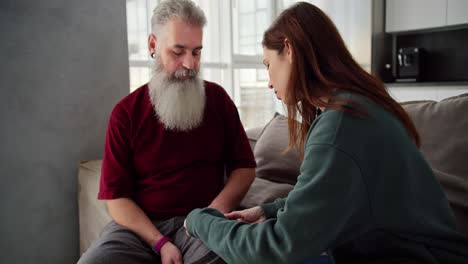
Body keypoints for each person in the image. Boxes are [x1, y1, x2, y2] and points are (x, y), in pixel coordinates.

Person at [184, 2, 468, 264]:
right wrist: (267, 210)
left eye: (268, 65)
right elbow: (335, 194)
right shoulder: (358, 106)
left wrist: (201, 221)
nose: (269, 83)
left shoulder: (342, 126)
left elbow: (276, 248)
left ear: (290, 50)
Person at [77, 0, 256, 263]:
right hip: (139, 229)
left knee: (233, 256)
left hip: (203, 224)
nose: (190, 64)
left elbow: (245, 169)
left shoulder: (218, 100)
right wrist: (160, 243)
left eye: (196, 52)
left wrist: (211, 215)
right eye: (178, 52)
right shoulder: (125, 113)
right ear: (153, 45)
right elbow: (116, 199)